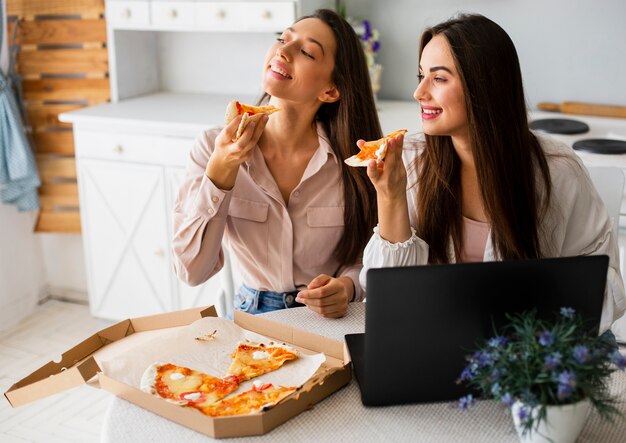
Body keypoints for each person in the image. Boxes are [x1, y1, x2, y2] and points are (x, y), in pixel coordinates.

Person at [360, 13, 625, 332]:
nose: (419, 93)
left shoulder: (557, 169)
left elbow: (607, 287)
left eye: (439, 78)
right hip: (440, 339)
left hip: (529, 351)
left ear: (483, 85)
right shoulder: (413, 160)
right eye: (421, 76)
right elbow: (388, 296)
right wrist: (390, 195)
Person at [172, 9, 381, 318]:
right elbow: (191, 272)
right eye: (282, 39)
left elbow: (371, 256)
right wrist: (221, 171)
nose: (282, 51)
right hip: (250, 320)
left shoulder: (354, 160)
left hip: (327, 321)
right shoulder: (212, 146)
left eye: (307, 52)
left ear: (331, 90)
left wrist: (348, 287)